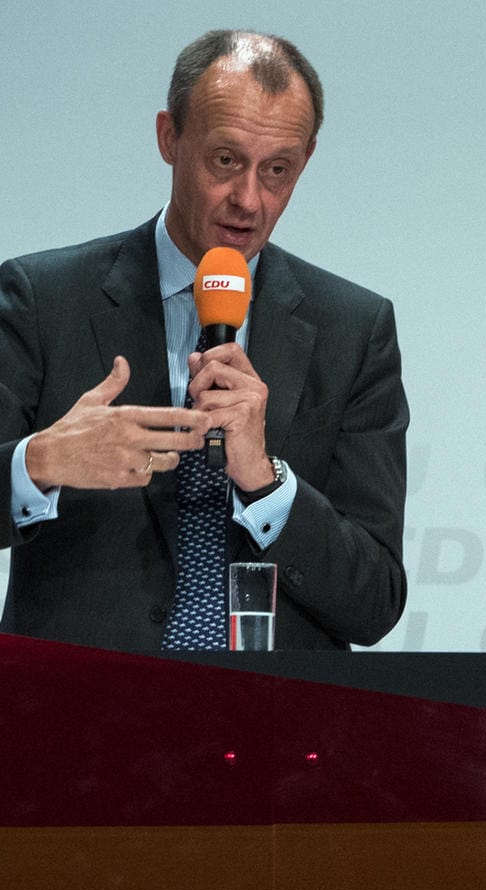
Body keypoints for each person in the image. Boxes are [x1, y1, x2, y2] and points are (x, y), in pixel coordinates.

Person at [0, 30, 408, 652]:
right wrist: (40, 463)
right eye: (225, 161)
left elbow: (374, 601)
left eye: (278, 170)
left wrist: (267, 481)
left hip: (273, 723)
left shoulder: (354, 329)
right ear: (169, 137)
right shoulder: (41, 298)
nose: (249, 199)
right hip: (81, 715)